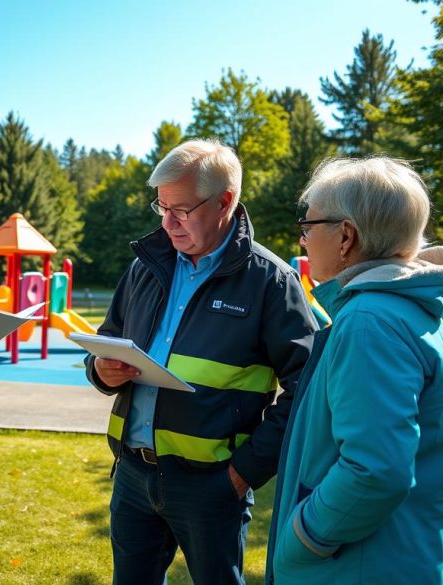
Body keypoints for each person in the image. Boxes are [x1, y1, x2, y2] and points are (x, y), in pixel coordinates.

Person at [85, 139, 317, 585]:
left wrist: (242, 473)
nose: (168, 222)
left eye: (182, 210)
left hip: (211, 487)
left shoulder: (271, 282)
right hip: (132, 475)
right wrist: (101, 370)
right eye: (161, 207)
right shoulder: (145, 267)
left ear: (225, 201)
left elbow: (306, 389)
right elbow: (107, 340)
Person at [266, 157, 443, 585]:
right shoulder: (412, 308)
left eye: (308, 226)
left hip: (364, 565)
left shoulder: (369, 320)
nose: (302, 240)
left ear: (345, 236)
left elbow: (375, 470)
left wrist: (304, 537)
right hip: (407, 554)